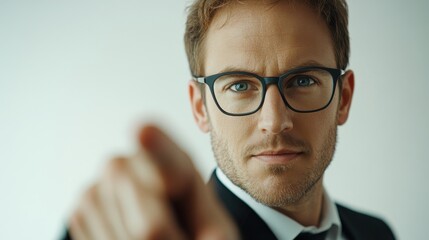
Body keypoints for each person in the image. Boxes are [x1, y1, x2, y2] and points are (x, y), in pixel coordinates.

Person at [63, 0, 396, 239]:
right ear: (200, 107)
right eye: (239, 85)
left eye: (303, 80)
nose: (274, 121)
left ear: (344, 98)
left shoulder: (377, 232)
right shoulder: (179, 231)